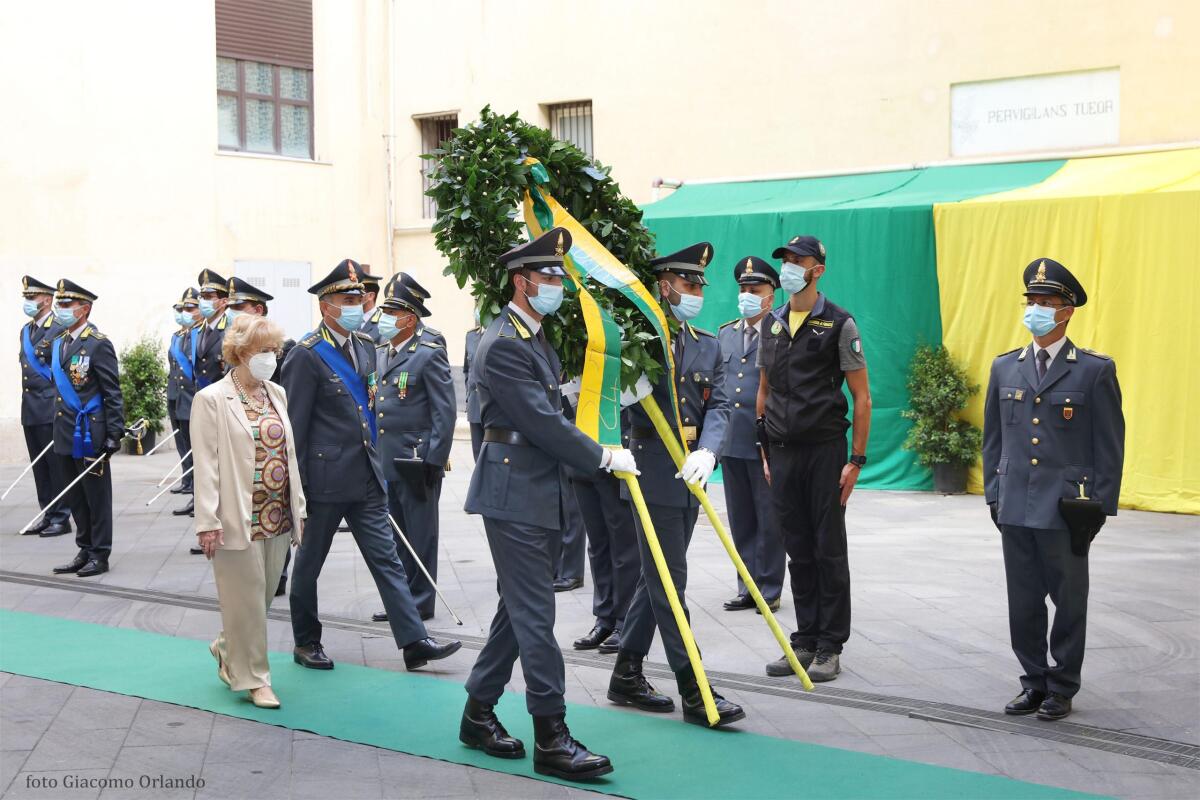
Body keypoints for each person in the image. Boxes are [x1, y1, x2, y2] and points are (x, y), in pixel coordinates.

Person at [461, 228, 634, 780]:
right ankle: (551, 735)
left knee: (517, 609)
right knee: (536, 613)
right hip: (514, 490)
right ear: (523, 281)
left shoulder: (533, 336)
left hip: (534, 486)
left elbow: (554, 406)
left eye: (561, 277)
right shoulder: (505, 342)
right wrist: (602, 458)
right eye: (551, 278)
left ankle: (477, 713)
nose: (559, 286)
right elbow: (539, 420)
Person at [281, 258, 461, 672]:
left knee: (387, 559)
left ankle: (414, 640)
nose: (358, 305)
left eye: (360, 297)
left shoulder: (365, 346)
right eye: (348, 298)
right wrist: (298, 490)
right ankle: (306, 640)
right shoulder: (307, 356)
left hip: (365, 476)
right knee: (309, 564)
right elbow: (296, 429)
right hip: (324, 481)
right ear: (326, 306)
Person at [606, 242, 745, 727]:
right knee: (671, 582)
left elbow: (722, 405)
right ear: (664, 287)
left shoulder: (708, 342)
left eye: (700, 286)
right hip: (651, 475)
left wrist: (709, 451)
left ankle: (625, 673)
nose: (696, 294)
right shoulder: (637, 340)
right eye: (688, 285)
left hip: (692, 474)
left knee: (656, 576)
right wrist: (623, 390)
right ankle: (695, 688)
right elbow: (605, 398)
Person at [984, 258, 1124, 722]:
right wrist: (992, 493)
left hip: (1066, 507)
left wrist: (1098, 506)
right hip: (1015, 503)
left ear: (1067, 311)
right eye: (1032, 302)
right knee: (1022, 601)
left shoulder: (1092, 371)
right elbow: (993, 438)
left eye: (1046, 303)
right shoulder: (1006, 367)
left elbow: (1109, 444)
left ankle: (1062, 685)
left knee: (1068, 601)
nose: (1037, 310)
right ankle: (1033, 681)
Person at [757, 236, 871, 682]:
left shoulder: (839, 323)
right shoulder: (774, 323)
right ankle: (803, 639)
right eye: (784, 260)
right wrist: (763, 449)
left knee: (827, 548)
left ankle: (830, 645)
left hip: (825, 451)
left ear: (817, 269)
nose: (788, 267)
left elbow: (861, 398)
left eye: (796, 261)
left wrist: (856, 460)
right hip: (782, 452)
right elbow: (764, 392)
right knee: (797, 549)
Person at [191, 315, 305, 709]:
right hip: (238, 515)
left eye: (275, 351)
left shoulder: (276, 393)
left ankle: (227, 645)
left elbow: (288, 454)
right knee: (246, 599)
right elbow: (205, 465)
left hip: (277, 512)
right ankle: (256, 679)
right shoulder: (211, 399)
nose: (271, 359)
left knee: (260, 599)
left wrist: (298, 506)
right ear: (240, 352)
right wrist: (207, 521)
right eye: (262, 352)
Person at [370, 275, 455, 623]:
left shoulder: (428, 353)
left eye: (392, 311)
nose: (385, 318)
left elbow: (444, 412)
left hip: (417, 460)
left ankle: (421, 601)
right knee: (396, 535)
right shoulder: (380, 350)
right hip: (388, 459)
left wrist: (433, 461)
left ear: (410, 317)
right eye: (385, 310)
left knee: (421, 534)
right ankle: (402, 600)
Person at [717, 257, 785, 612]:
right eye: (743, 289)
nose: (746, 295)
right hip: (731, 439)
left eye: (754, 290)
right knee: (740, 518)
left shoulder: (780, 331)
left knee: (769, 518)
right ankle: (747, 584)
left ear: (770, 297)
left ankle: (769, 587)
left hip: (767, 442)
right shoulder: (726, 333)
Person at [49, 279, 125, 578]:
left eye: (67, 305)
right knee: (75, 495)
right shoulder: (59, 342)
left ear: (84, 309)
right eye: (59, 304)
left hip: (90, 432)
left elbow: (112, 391)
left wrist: (113, 433)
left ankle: (100, 553)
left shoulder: (98, 343)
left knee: (96, 495)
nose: (61, 310)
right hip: (66, 430)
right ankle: (84, 547)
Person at [224, 275, 294, 593]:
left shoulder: (279, 351)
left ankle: (277, 572)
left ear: (258, 309)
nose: (232, 312)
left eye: (239, 307)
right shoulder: (234, 345)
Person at [570, 407, 639, 654]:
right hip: (584, 452)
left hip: (617, 448)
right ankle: (604, 618)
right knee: (597, 544)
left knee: (624, 544)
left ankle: (625, 621)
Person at [17, 276, 72, 537]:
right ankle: (48, 512)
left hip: (50, 408)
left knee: (55, 465)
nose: (28, 302)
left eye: (32, 298)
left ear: (47, 300)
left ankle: (61, 516)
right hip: (30, 409)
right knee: (40, 467)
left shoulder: (59, 328)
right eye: (26, 298)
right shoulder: (26, 331)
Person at [176, 269, 230, 520]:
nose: (204, 301)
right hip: (204, 407)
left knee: (224, 471)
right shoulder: (198, 331)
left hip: (225, 409)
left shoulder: (231, 330)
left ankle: (223, 523)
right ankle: (209, 522)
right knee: (206, 468)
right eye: (203, 296)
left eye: (210, 296)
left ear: (223, 301)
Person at [167, 288, 200, 503]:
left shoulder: (198, 335)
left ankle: (196, 483)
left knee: (193, 444)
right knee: (181, 442)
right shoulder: (178, 336)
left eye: (189, 308)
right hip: (176, 395)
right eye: (181, 309)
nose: (184, 312)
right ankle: (187, 479)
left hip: (191, 396)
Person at [464, 308, 484, 459]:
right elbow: (467, 370)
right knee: (477, 454)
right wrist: (467, 397)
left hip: (493, 406)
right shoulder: (471, 336)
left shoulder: (500, 334)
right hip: (474, 404)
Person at [357, 266, 385, 344]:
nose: (355, 296)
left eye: (360, 293)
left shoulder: (383, 324)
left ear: (370, 296)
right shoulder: (352, 320)